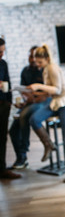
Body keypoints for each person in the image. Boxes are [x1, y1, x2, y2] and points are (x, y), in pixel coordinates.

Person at [28, 44, 65, 183]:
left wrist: (38, 86)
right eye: (37, 63)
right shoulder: (46, 68)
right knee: (34, 119)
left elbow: (58, 90)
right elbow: (51, 91)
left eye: (40, 62)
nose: (38, 65)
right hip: (54, 103)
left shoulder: (52, 67)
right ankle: (48, 145)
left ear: (46, 58)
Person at [9, 46, 49, 169]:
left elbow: (49, 92)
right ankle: (22, 158)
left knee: (24, 116)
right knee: (13, 130)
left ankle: (25, 148)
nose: (32, 59)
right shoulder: (25, 71)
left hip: (43, 103)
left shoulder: (45, 70)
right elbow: (24, 90)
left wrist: (36, 97)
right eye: (30, 56)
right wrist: (26, 100)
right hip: (30, 103)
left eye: (35, 57)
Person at [0, 37, 21, 179]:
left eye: (2, 51)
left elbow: (7, 81)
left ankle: (2, 169)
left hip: (2, 105)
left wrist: (9, 103)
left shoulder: (3, 64)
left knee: (2, 138)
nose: (1, 54)